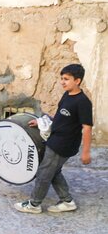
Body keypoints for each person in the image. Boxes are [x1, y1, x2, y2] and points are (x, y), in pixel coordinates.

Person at [15, 64, 93, 214]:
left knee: (44, 173)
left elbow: (87, 128)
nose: (62, 82)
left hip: (63, 145)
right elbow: (60, 118)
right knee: (53, 172)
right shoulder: (67, 95)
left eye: (66, 79)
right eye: (61, 79)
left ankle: (34, 204)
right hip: (55, 139)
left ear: (77, 81)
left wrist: (86, 152)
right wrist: (41, 122)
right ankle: (67, 201)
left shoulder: (82, 102)